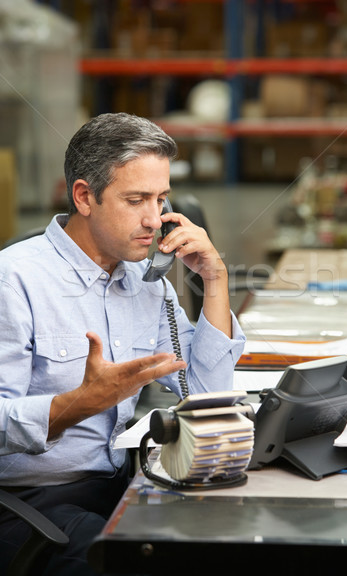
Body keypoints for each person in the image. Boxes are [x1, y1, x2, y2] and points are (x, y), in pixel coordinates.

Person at [0, 113, 245, 575]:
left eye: (161, 199)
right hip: (28, 504)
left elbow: (206, 391)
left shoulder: (145, 280)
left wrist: (214, 280)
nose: (154, 220)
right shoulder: (14, 280)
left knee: (227, 544)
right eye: (136, 200)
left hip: (120, 484)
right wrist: (77, 404)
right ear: (84, 196)